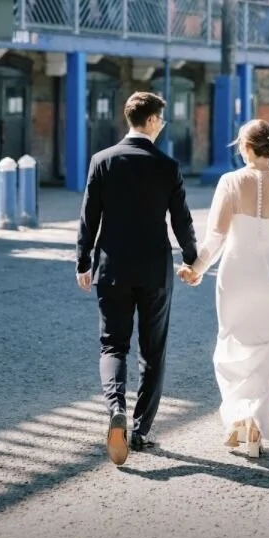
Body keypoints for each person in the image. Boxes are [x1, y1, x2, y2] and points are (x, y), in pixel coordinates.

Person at [179, 119, 269, 458]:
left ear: (246, 147)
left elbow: (216, 236)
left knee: (231, 346)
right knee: (264, 351)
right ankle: (253, 424)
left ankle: (239, 420)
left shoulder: (230, 181)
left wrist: (196, 268)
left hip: (237, 274)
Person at [76, 92, 198, 467]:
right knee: (152, 350)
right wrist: (192, 258)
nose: (162, 125)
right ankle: (141, 430)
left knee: (112, 346)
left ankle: (116, 409)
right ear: (151, 121)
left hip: (111, 268)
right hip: (154, 270)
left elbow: (89, 216)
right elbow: (181, 220)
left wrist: (83, 261)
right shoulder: (167, 166)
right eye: (161, 119)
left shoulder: (102, 160)